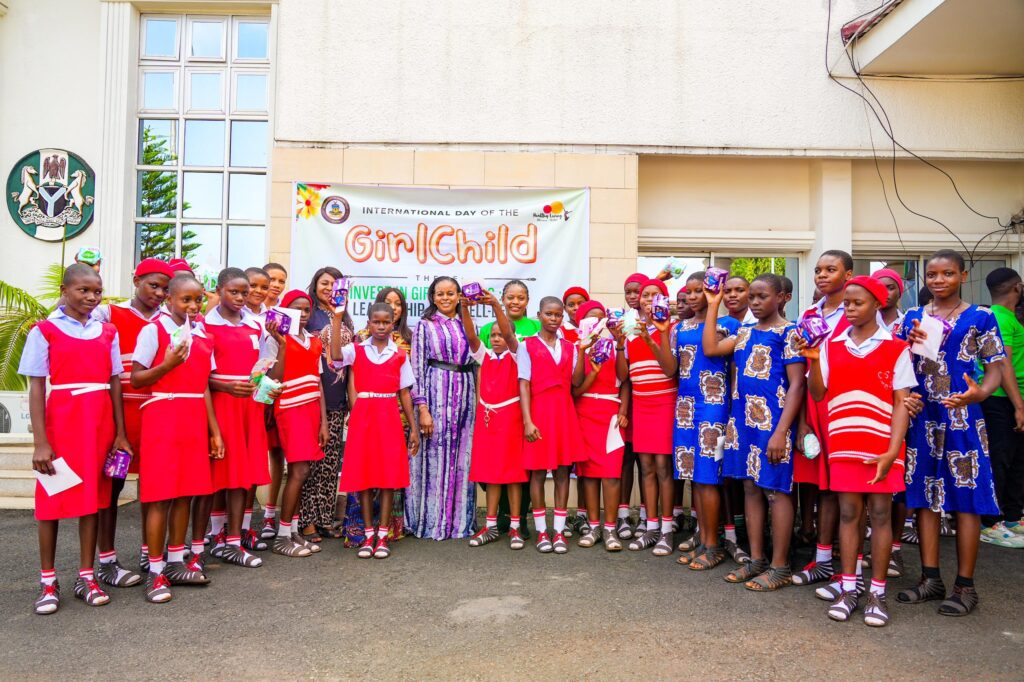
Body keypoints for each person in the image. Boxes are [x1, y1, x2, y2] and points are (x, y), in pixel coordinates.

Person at [897, 250, 1005, 616]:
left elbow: (995, 367)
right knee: (924, 496)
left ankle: (965, 586)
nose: (938, 280)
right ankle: (930, 579)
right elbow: (896, 363)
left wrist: (982, 393)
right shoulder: (913, 316)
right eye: (932, 274)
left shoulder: (981, 317)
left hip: (961, 413)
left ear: (963, 274)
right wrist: (904, 395)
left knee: (966, 498)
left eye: (947, 273)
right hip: (921, 414)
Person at [803, 275, 915, 626]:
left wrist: (892, 451)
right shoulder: (830, 346)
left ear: (877, 305)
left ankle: (877, 594)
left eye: (857, 303)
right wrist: (811, 357)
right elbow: (819, 394)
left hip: (883, 446)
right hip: (845, 443)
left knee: (881, 515)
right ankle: (848, 587)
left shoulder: (897, 348)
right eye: (847, 303)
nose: (849, 309)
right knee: (849, 514)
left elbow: (901, 403)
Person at [20, 264, 132, 614]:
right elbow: (36, 387)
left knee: (94, 502)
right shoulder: (45, 330)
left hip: (98, 425)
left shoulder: (107, 331)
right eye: (83, 290)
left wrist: (120, 433)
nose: (91, 297)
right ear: (64, 290)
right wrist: (41, 442)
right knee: (51, 503)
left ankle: (87, 575)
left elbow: (115, 382)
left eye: (96, 291)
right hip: (63, 422)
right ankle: (48, 581)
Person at [703, 273, 806, 591]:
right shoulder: (744, 331)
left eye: (763, 296)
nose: (756, 302)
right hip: (743, 424)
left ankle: (780, 565)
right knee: (750, 489)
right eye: (753, 297)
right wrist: (713, 305)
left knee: (775, 492)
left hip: (773, 425)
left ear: (781, 298)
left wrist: (781, 432)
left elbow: (797, 384)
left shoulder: (789, 332)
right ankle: (757, 559)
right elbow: (710, 348)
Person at [131, 275, 221, 602]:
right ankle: (155, 572)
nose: (193, 307)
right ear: (169, 298)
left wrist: (214, 431)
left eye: (198, 300)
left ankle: (175, 561)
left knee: (185, 494)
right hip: (164, 416)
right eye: (186, 300)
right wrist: (166, 365)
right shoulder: (153, 330)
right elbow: (137, 378)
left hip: (193, 418)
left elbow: (204, 386)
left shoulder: (202, 335)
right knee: (161, 496)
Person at [91, 257, 172, 589]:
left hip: (156, 415)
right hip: (119, 415)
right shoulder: (110, 313)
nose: (158, 293)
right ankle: (107, 561)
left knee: (152, 489)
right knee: (111, 488)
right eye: (152, 285)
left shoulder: (169, 320)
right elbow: (66, 316)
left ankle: (147, 553)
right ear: (135, 280)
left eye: (165, 288)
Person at [331, 303, 420, 558]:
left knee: (388, 477)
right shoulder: (357, 350)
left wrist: (413, 429)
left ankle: (383, 534)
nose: (381, 326)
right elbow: (335, 355)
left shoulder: (400, 355)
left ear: (393, 323)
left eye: (386, 322)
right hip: (363, 414)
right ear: (368, 323)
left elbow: (404, 392)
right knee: (364, 476)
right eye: (376, 322)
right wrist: (337, 319)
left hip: (389, 415)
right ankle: (368, 533)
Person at [671, 272, 743, 570]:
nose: (691, 296)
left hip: (713, 405)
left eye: (698, 291)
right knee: (694, 479)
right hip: (685, 406)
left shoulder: (729, 324)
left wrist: (714, 305)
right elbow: (670, 369)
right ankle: (703, 540)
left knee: (709, 477)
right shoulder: (680, 326)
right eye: (688, 292)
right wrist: (659, 334)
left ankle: (713, 546)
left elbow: (713, 349)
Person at [202, 268, 274, 567]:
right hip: (221, 404)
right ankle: (217, 536)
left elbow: (265, 365)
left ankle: (234, 539)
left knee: (243, 474)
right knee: (223, 473)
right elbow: (201, 376)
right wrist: (226, 385)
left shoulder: (256, 324)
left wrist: (266, 386)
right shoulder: (206, 324)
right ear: (219, 290)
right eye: (234, 291)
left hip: (250, 405)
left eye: (244, 293)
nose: (241, 297)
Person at [792, 250, 853, 589]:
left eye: (831, 269)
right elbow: (803, 369)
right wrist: (801, 420)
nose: (822, 275)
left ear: (848, 274)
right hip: (814, 404)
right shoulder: (810, 313)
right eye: (818, 270)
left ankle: (849, 565)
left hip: (844, 404)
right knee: (820, 483)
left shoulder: (857, 312)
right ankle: (824, 558)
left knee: (845, 488)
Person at [408, 276, 477, 540]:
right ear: (432, 297)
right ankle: (431, 521)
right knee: (434, 458)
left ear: (459, 295)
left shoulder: (466, 324)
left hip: (465, 395)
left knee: (462, 459)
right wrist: (422, 407)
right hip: (435, 395)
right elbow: (416, 367)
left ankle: (458, 523)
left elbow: (476, 360)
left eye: (451, 293)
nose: (445, 298)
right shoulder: (424, 325)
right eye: (440, 294)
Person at [459, 290, 527, 548]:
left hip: (510, 419)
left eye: (501, 335)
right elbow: (470, 335)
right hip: (488, 421)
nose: (497, 338)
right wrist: (464, 307)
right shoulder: (484, 355)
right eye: (493, 335)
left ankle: (515, 527)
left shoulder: (515, 354)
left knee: (512, 474)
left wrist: (496, 304)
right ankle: (489, 526)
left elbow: (510, 334)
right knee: (491, 474)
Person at [265, 290, 330, 557]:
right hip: (289, 408)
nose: (302, 315)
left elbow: (319, 382)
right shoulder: (275, 338)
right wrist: (281, 344)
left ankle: (292, 531)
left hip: (311, 408)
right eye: (295, 309)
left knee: (302, 471)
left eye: (306, 310)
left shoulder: (314, 341)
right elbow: (272, 378)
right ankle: (282, 536)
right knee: (298, 471)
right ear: (284, 310)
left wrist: (324, 421)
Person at [520, 297, 585, 553]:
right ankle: (541, 531)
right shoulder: (527, 346)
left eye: (558, 315)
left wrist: (584, 350)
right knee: (537, 472)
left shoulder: (571, 347)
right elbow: (523, 383)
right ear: (539, 315)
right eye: (549, 314)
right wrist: (527, 421)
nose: (554, 318)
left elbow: (577, 382)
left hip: (564, 412)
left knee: (561, 471)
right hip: (538, 412)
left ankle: (558, 531)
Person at [619, 278, 678, 555]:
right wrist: (622, 342)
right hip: (641, 405)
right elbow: (623, 376)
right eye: (645, 295)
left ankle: (667, 530)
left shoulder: (672, 329)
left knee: (664, 468)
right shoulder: (631, 331)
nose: (649, 299)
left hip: (665, 402)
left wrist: (651, 337)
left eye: (656, 295)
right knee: (646, 468)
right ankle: (651, 527)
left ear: (664, 300)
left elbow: (669, 369)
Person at [298, 267, 354, 544]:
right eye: (324, 283)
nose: (330, 288)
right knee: (311, 464)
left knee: (331, 464)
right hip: (313, 398)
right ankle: (305, 520)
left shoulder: (343, 316)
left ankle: (323, 519)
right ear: (315, 284)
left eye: (335, 284)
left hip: (338, 398)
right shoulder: (309, 315)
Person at [572, 300, 629, 551]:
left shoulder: (614, 346)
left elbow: (625, 380)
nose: (596, 323)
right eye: (590, 319)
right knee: (589, 476)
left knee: (611, 474)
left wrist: (623, 410)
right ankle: (594, 526)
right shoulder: (576, 349)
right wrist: (584, 354)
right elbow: (576, 389)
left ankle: (610, 528)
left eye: (600, 318)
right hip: (585, 414)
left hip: (610, 415)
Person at [978, 267, 1024, 548]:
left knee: (1016, 460)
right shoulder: (998, 317)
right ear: (1017, 287)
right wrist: (1018, 405)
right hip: (999, 399)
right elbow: (1002, 363)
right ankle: (988, 523)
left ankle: (1011, 517)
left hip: (1011, 398)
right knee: (999, 459)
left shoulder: (1004, 317)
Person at [617, 272, 649, 538]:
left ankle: (648, 517)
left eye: (637, 291)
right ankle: (623, 515)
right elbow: (623, 374)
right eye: (628, 292)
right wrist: (624, 410)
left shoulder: (658, 321)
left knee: (647, 462)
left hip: (654, 402)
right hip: (631, 402)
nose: (632, 296)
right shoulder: (623, 323)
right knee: (627, 459)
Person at [259, 261, 289, 539]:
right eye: (272, 279)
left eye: (281, 280)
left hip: (276, 391)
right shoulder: (248, 311)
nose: (276, 285)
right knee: (255, 456)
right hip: (251, 392)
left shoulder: (284, 315)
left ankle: (270, 514)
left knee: (277, 454)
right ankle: (237, 523)